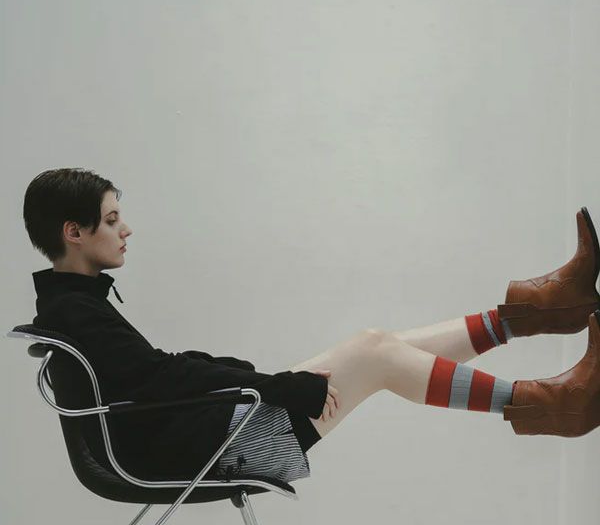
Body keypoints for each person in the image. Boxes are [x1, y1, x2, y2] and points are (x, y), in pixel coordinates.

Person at [23, 168, 600, 487]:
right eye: (112, 220)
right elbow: (157, 376)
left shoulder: (71, 304)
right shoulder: (76, 311)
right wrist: (273, 385)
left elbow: (151, 374)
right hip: (210, 449)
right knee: (376, 354)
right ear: (74, 232)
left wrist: (256, 381)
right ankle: (549, 402)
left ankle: (543, 313)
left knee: (377, 347)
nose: (126, 230)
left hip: (198, 435)